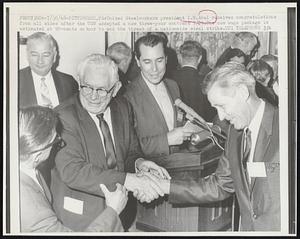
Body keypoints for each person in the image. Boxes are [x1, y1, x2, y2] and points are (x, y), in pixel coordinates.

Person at [154, 62, 280, 231]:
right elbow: (220, 185)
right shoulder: (235, 134)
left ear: (243, 92)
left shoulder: (286, 130)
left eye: (222, 106)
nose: (221, 117)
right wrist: (163, 186)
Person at [50, 54, 169, 231]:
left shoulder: (122, 107)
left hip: (120, 214)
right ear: (79, 81)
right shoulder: (62, 116)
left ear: (116, 88)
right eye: (87, 87)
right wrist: (131, 181)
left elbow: (130, 150)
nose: (93, 97)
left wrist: (140, 164)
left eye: (102, 90)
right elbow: (73, 171)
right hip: (79, 220)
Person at [19, 106, 127, 232]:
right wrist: (113, 211)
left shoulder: (29, 169)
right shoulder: (30, 205)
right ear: (37, 155)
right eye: (55, 141)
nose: (60, 142)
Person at [124, 33, 195, 158]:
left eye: (159, 60)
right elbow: (126, 149)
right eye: (147, 62)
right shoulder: (126, 96)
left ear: (166, 59)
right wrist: (166, 140)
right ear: (138, 61)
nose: (155, 69)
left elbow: (176, 122)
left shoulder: (173, 86)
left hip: (179, 165)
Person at [19, 32, 78, 108]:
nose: (40, 61)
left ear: (54, 56)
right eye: (34, 55)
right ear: (27, 55)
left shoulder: (69, 83)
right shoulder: (15, 81)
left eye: (46, 55)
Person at [171, 40, 216, 121]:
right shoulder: (207, 82)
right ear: (200, 59)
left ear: (180, 57)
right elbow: (212, 113)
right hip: (201, 129)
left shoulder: (170, 79)